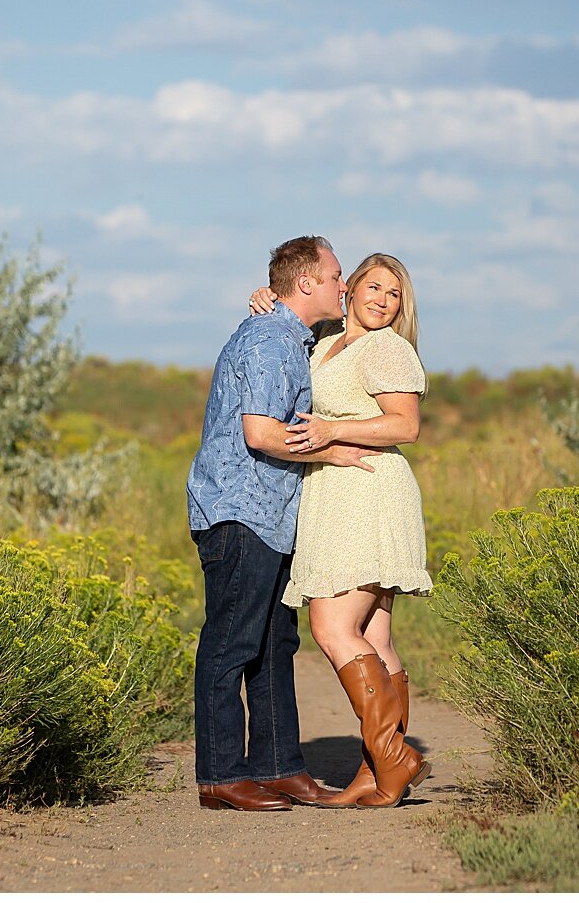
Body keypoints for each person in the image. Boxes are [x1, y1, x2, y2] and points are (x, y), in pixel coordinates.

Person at [186, 235, 383, 812]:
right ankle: (220, 775)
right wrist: (332, 451)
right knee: (232, 642)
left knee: (274, 643)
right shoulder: (271, 341)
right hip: (239, 511)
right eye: (335, 276)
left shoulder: (290, 335)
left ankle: (277, 766)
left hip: (269, 517)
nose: (342, 286)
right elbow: (261, 433)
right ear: (306, 284)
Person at [247, 252, 433, 808]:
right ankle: (377, 775)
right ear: (348, 288)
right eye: (374, 287)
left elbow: (407, 425)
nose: (382, 300)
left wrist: (332, 429)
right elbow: (297, 313)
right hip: (336, 492)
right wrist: (266, 300)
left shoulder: (387, 348)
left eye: (394, 294)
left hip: (367, 491)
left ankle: (394, 756)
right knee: (374, 636)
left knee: (332, 627)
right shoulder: (327, 342)